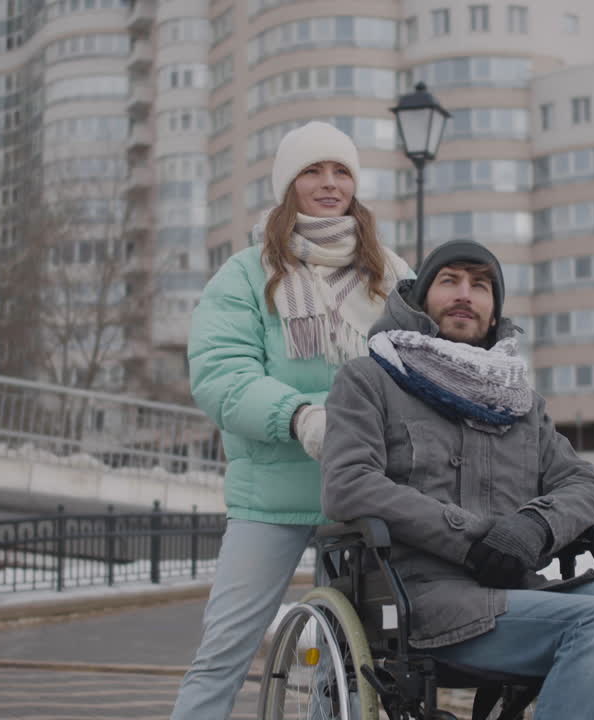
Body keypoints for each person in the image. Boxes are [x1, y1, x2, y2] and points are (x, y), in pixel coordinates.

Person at [321, 240, 594, 720]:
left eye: (480, 286)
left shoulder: (518, 404)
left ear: (494, 311)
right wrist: (469, 539)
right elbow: (348, 484)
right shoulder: (370, 379)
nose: (464, 295)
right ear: (420, 297)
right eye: (449, 280)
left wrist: (534, 527)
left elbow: (588, 488)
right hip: (420, 595)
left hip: (516, 592)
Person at [172, 121, 413, 720]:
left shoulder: (393, 275)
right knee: (223, 650)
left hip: (361, 490)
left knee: (360, 658)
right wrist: (299, 416)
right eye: (313, 171)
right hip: (272, 496)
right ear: (289, 184)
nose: (329, 184)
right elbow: (222, 376)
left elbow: (421, 366)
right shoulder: (246, 274)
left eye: (341, 171)